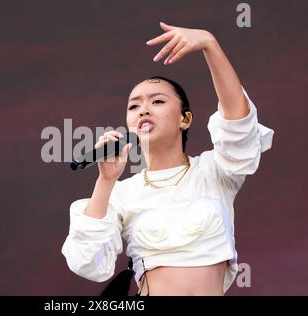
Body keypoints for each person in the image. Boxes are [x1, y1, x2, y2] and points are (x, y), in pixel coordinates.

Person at [61, 22, 274, 296]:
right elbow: (86, 261)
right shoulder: (124, 193)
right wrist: (105, 180)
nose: (144, 109)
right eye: (134, 106)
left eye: (157, 101)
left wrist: (209, 44)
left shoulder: (213, 172)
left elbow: (239, 122)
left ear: (185, 119)